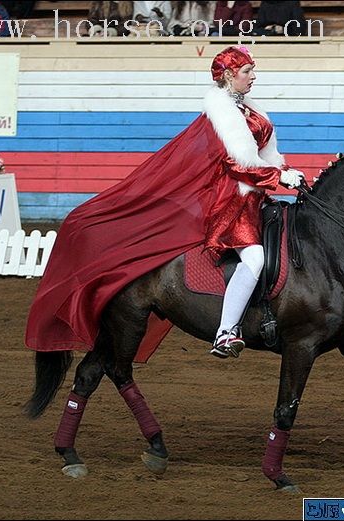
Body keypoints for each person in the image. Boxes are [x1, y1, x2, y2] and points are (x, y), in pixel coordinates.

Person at [25, 45, 305, 361]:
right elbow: (237, 164)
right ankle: (226, 331)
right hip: (231, 203)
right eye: (247, 72)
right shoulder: (220, 116)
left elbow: (262, 156)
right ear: (228, 75)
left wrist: (284, 171)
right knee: (254, 259)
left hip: (257, 196)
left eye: (252, 71)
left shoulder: (251, 111)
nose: (253, 77)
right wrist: (277, 178)